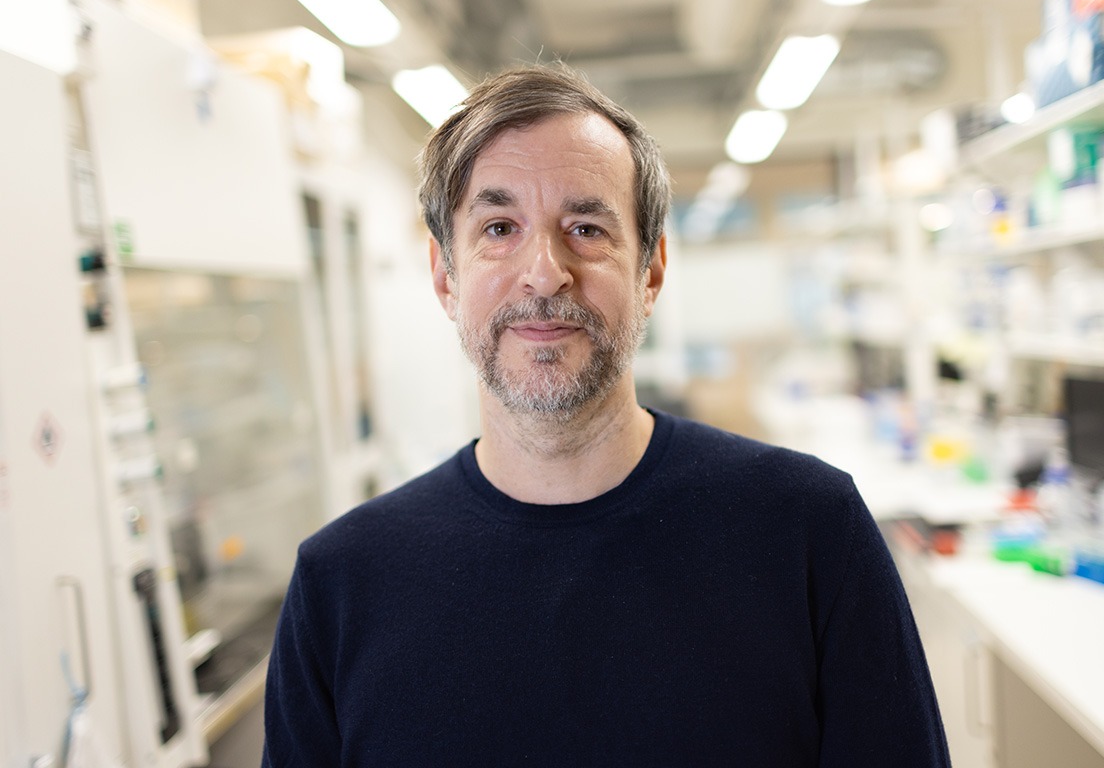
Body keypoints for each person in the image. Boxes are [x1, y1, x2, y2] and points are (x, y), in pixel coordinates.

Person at [262, 63, 950, 766]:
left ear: (651, 271)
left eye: (586, 227)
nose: (544, 271)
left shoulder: (808, 529)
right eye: (499, 227)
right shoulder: (341, 585)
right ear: (445, 275)